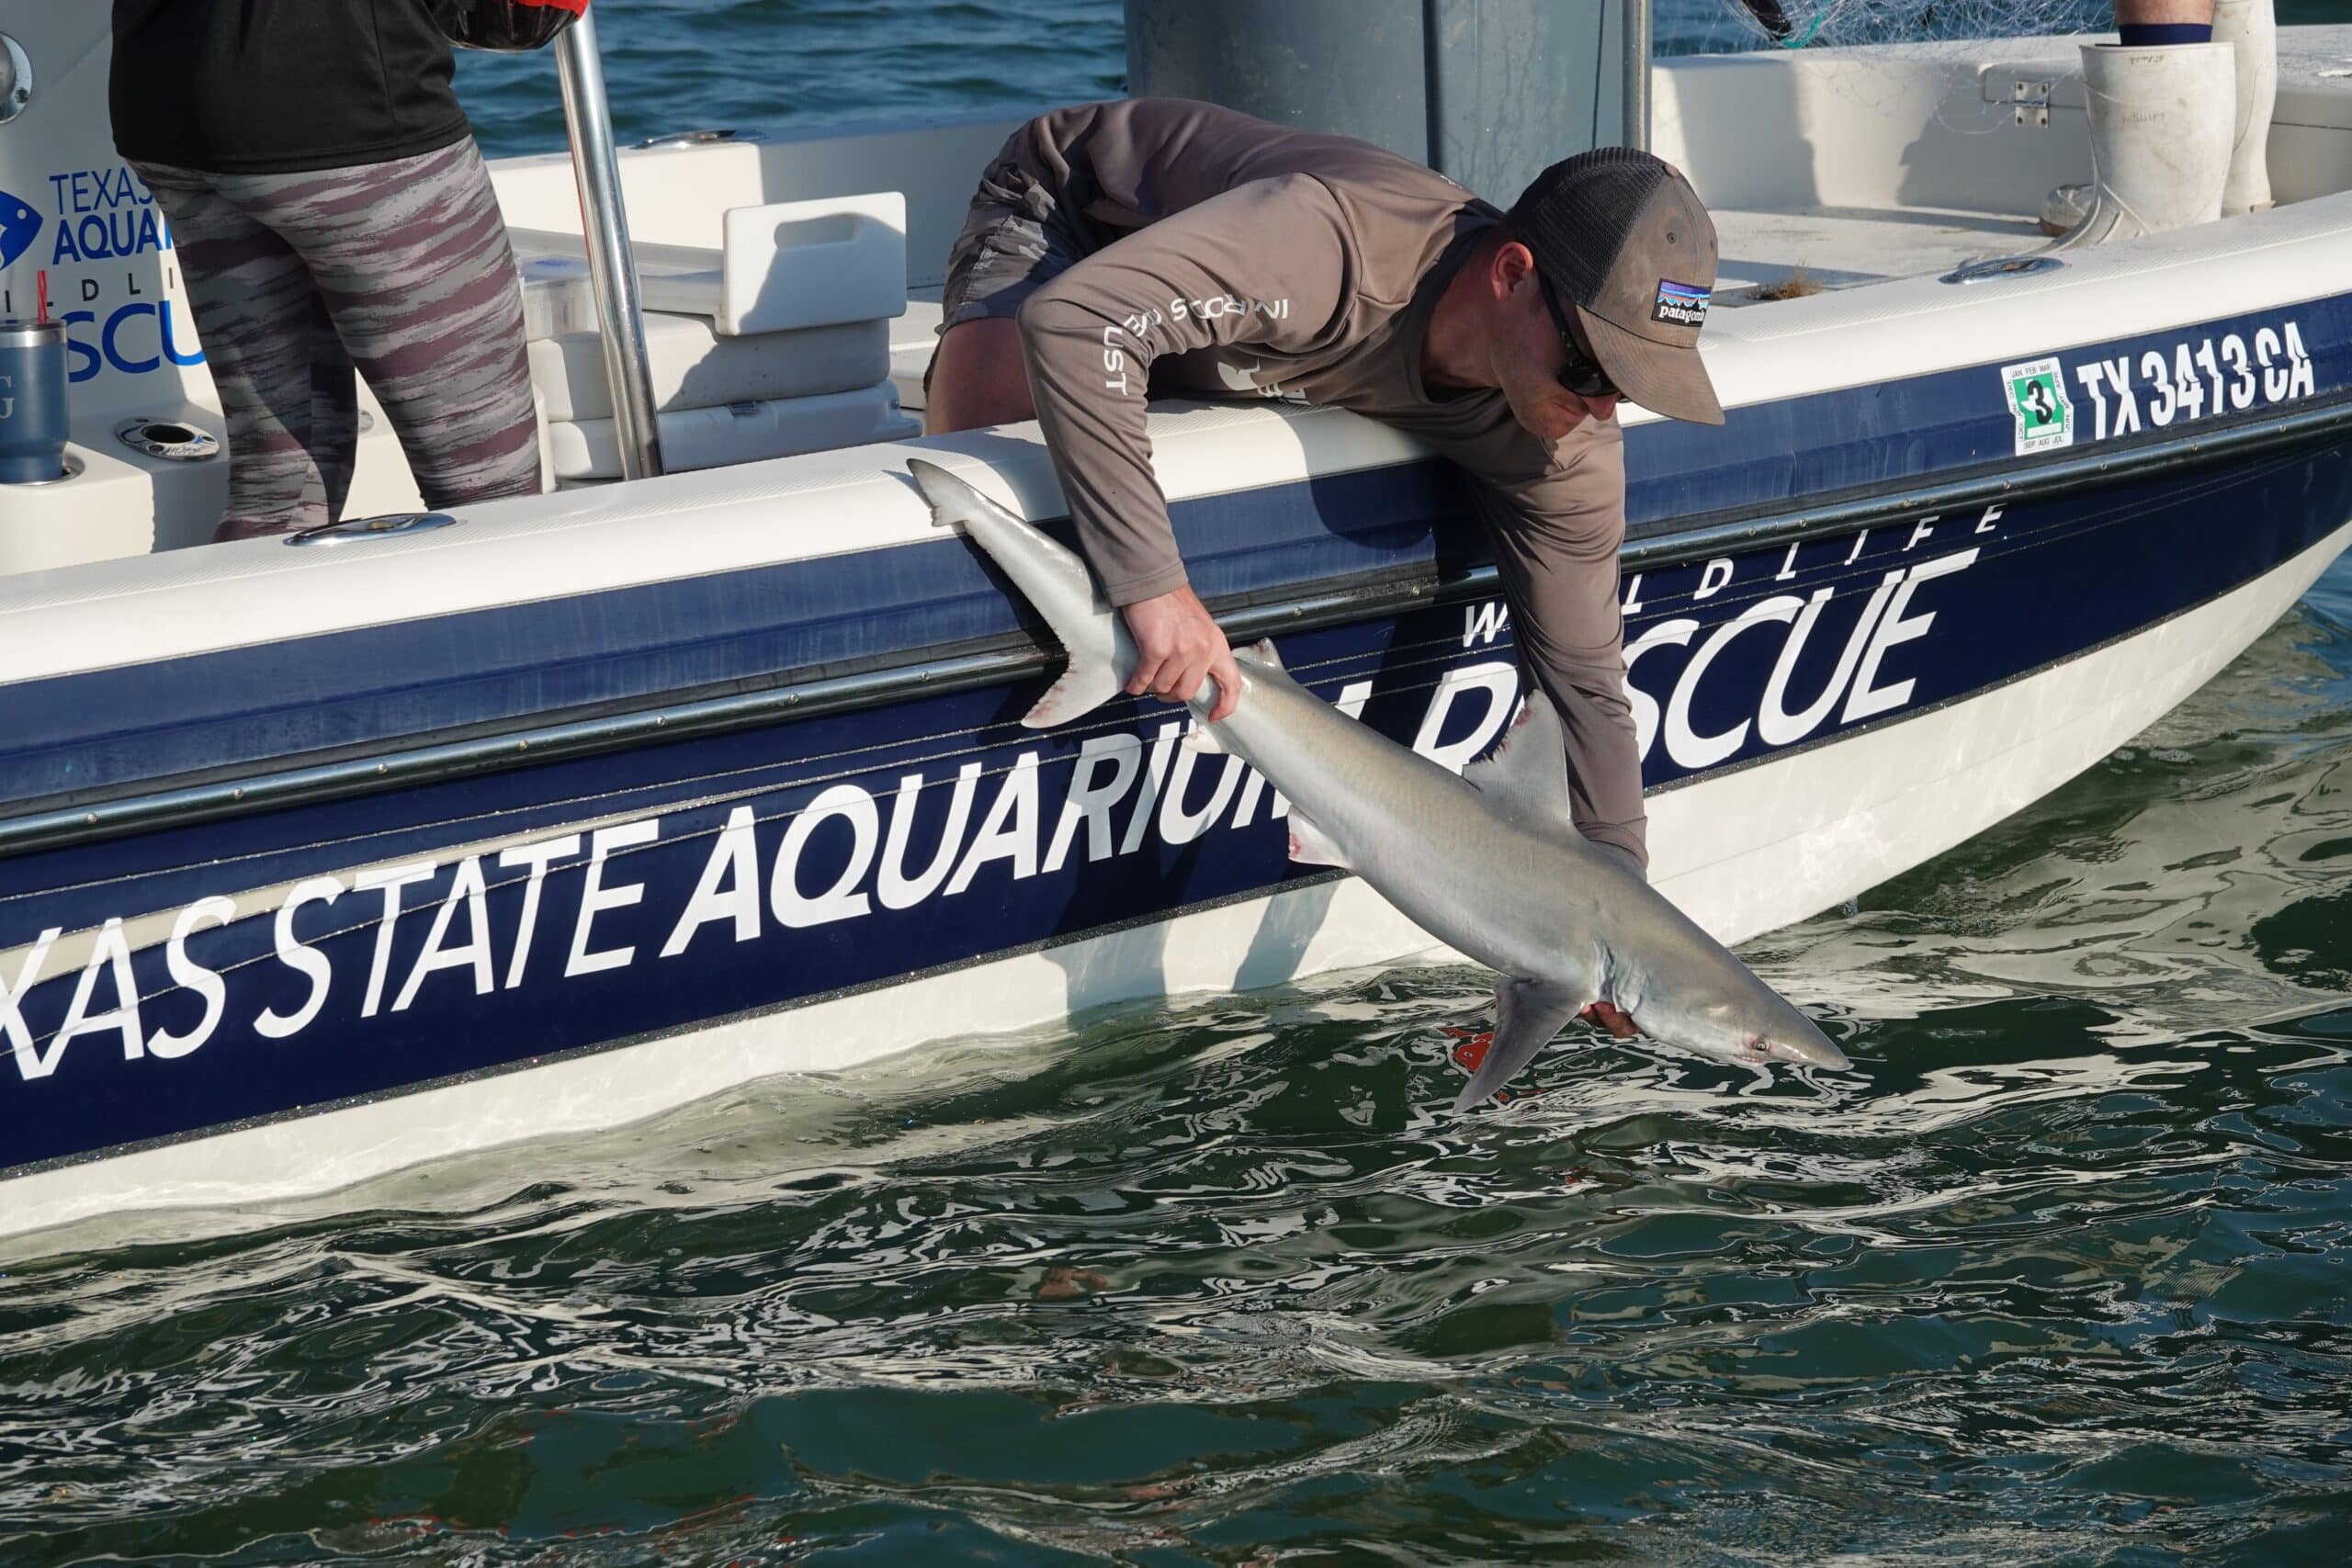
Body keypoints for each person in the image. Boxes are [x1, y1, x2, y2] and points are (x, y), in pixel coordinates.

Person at [926, 98, 1728, 1038]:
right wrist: (1153, 589)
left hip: (1236, 326)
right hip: (1076, 214)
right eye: (1595, 370)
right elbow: (1075, 323)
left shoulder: (1563, 442)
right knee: (1001, 449)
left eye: (1634, 389)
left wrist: (1616, 914)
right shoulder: (1330, 249)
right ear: (1512, 275)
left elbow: (1584, 686)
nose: (1600, 414)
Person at [109, 0, 542, 542]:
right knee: (489, 491)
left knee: (278, 491)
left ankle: (248, 623)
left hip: (163, 96)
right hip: (349, 114)